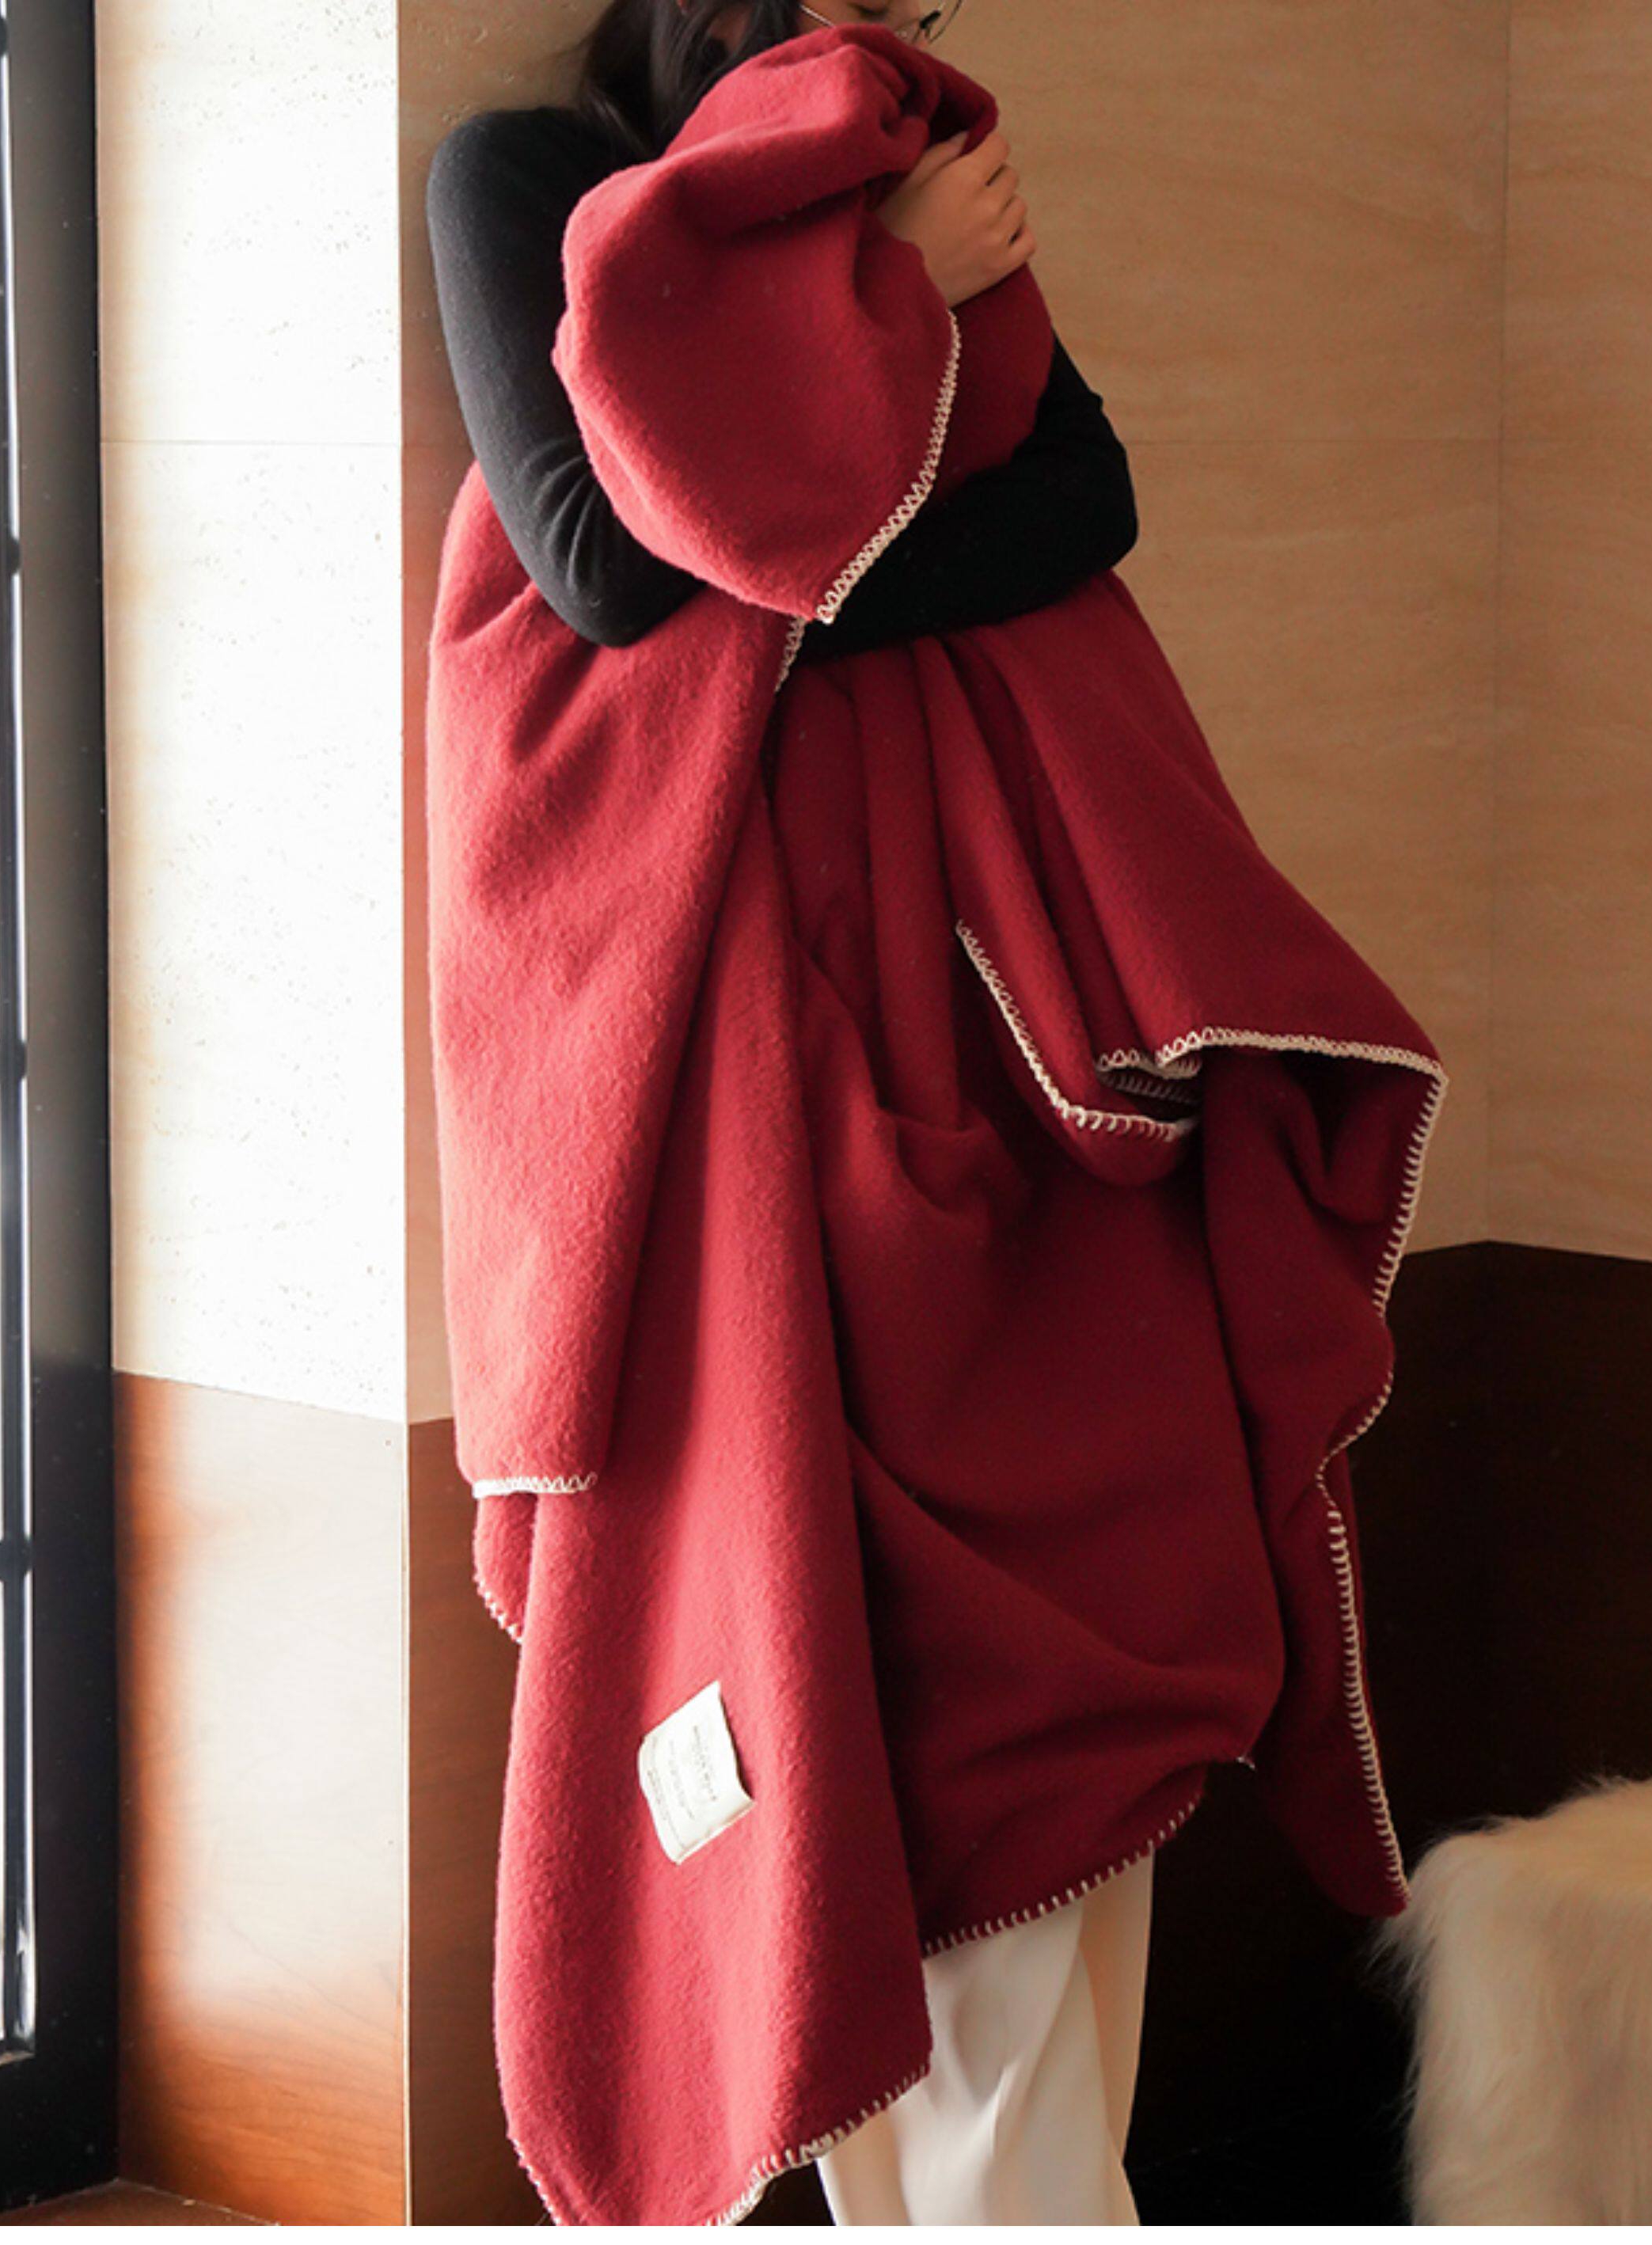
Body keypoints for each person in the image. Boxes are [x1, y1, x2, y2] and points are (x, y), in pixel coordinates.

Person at [425, 0, 1306, 2224]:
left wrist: (851, 362)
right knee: (839, 1857)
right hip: (724, 1114)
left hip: (980, 1085)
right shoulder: (523, 183)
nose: (886, 31)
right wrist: (887, 285)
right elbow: (599, 561)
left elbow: (1079, 507)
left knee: (1017, 1838)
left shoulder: (910, 152)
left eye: (914, 11)